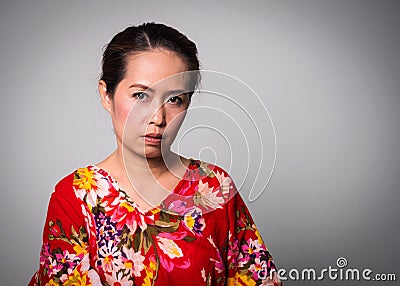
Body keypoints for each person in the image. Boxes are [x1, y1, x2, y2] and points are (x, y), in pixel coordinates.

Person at [29, 22, 282, 286]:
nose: (158, 118)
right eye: (140, 95)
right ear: (107, 94)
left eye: (175, 99)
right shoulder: (75, 198)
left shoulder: (215, 187)